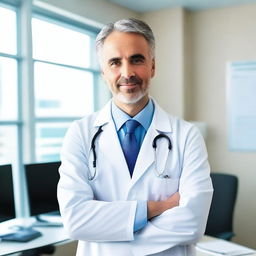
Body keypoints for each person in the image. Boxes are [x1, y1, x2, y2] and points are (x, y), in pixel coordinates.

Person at [57, 18, 213, 256]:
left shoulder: (186, 136)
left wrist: (110, 231)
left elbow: (191, 224)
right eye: (115, 62)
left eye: (137, 59)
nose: (127, 73)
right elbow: (75, 221)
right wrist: (159, 207)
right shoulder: (80, 134)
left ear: (152, 66)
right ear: (103, 71)